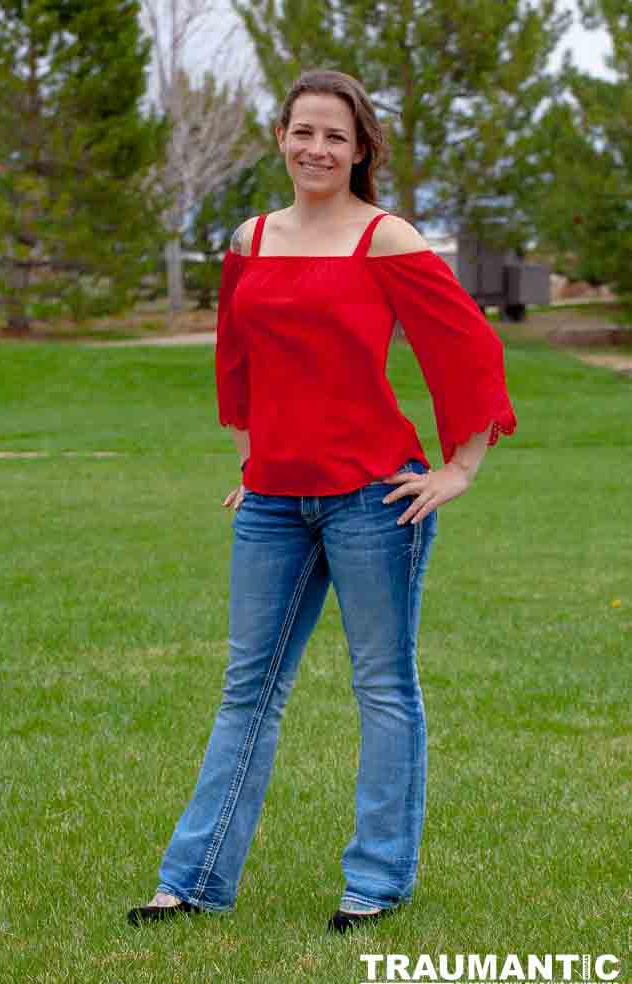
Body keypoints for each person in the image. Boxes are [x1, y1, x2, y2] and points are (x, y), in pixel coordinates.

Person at [128, 68, 517, 934]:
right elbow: (235, 360)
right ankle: (189, 882)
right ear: (280, 137)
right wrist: (251, 455)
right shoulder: (250, 239)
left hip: (373, 499)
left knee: (382, 688)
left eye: (335, 137)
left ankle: (375, 884)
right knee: (247, 692)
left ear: (358, 150)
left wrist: (459, 467)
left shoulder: (383, 238)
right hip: (271, 501)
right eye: (304, 131)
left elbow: (467, 346)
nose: (317, 148)